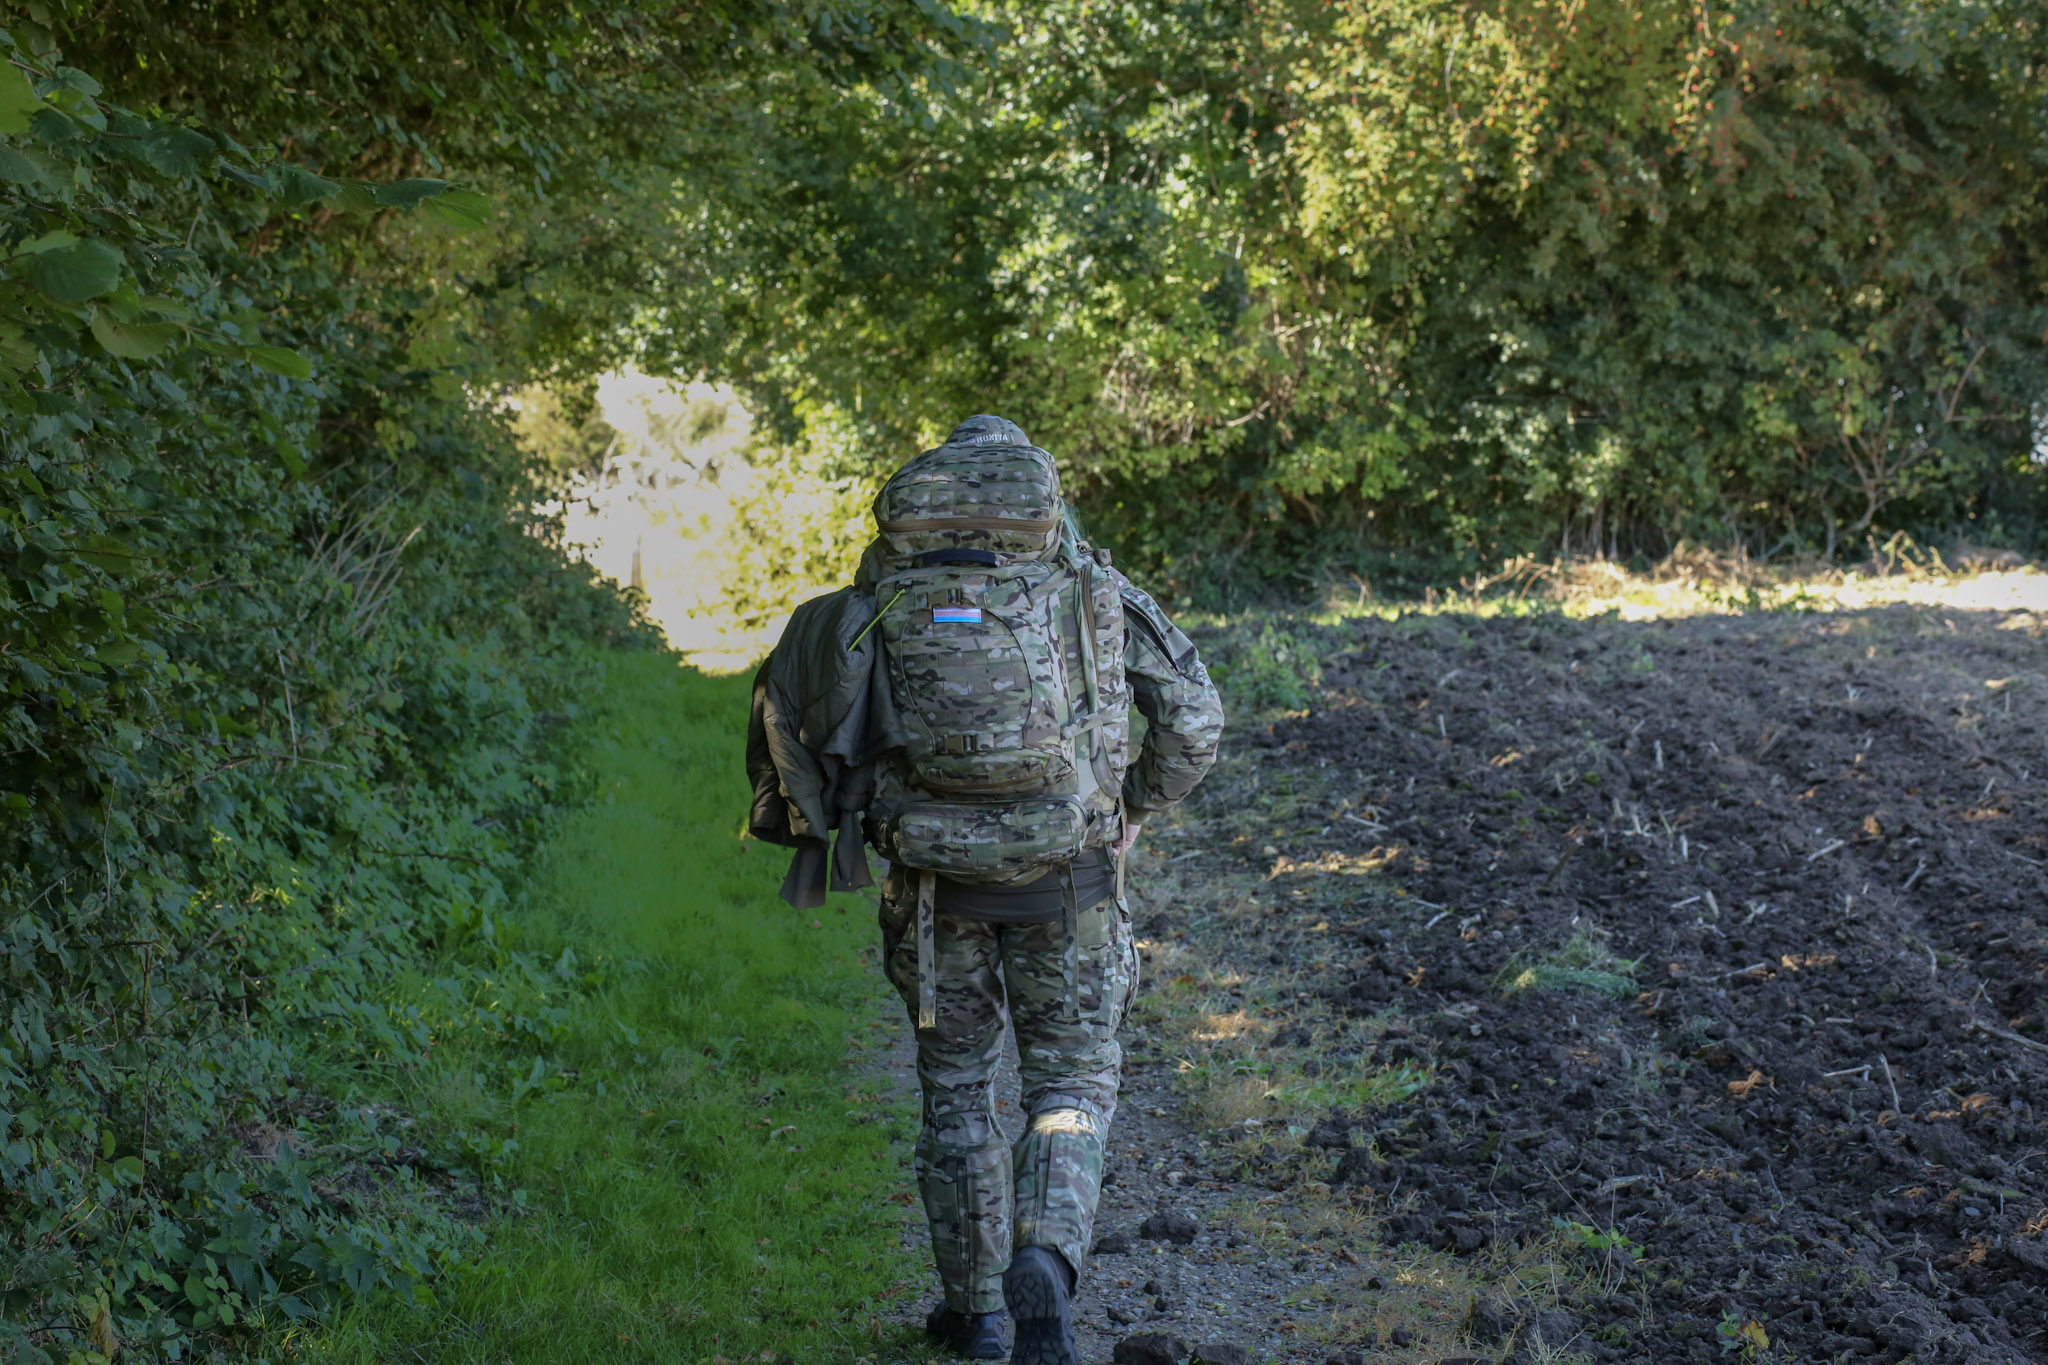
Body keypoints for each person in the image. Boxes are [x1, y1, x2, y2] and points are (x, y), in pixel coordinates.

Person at [858, 416, 1224, 1365]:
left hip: (934, 891)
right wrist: (1134, 804)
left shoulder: (879, 593)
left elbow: (821, 725)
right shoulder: (1092, 587)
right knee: (1069, 1083)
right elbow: (1194, 717)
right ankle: (1046, 1257)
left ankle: (976, 1316)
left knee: (956, 1089)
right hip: (1070, 885)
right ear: (1041, 503)